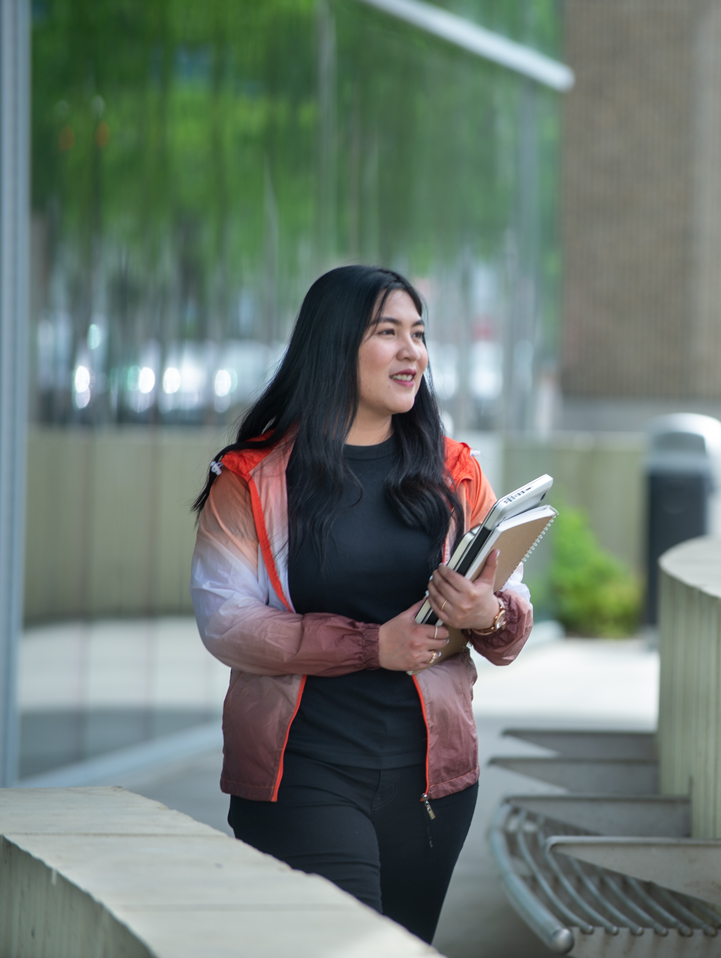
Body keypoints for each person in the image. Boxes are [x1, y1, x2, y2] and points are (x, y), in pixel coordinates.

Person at [190, 265, 533, 943]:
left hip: (434, 786)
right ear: (335, 344)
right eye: (388, 333)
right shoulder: (254, 480)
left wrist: (484, 614)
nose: (414, 352)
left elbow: (512, 615)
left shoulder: (453, 471)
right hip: (301, 774)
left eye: (420, 334)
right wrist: (371, 646)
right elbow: (225, 622)